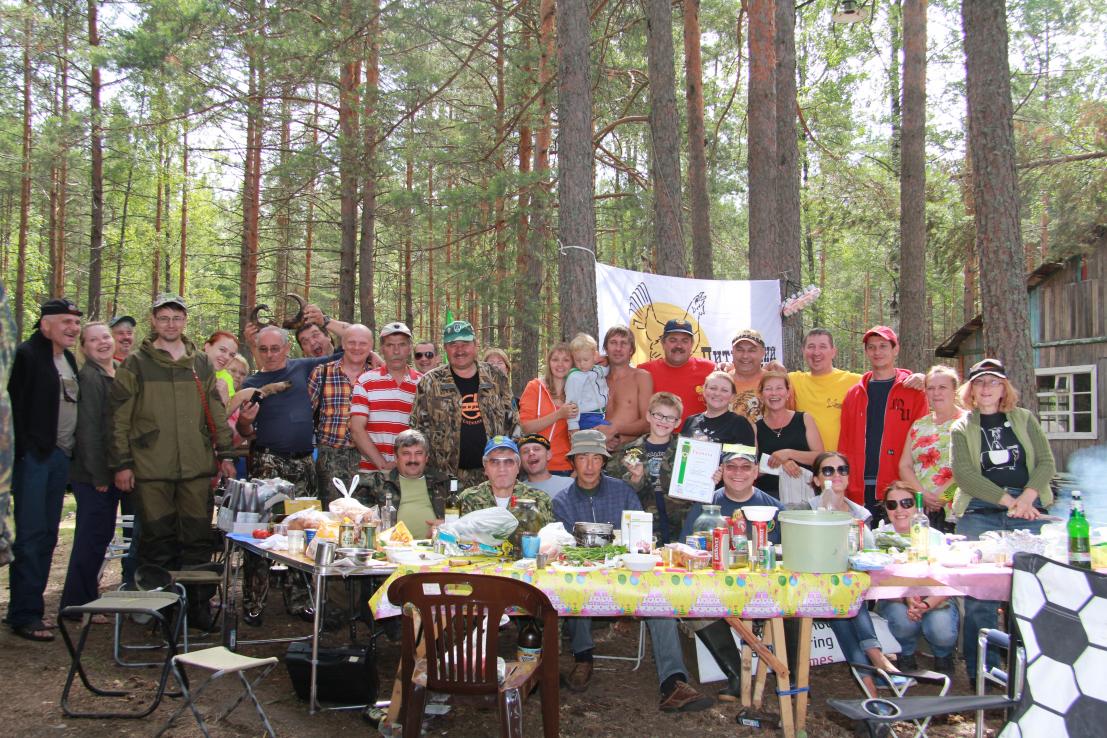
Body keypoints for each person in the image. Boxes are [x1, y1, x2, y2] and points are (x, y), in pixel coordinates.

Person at [552, 429, 713, 711]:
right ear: (572, 462)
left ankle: (673, 681)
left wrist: (627, 552)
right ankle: (583, 657)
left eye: (596, 458)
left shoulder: (623, 491)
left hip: (627, 574)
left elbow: (641, 534)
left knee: (658, 600)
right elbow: (564, 545)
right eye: (582, 458)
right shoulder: (562, 500)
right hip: (585, 575)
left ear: (604, 461)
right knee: (573, 587)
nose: (589, 465)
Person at [110, 294, 236, 628]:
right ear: (153, 320)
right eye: (164, 317)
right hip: (151, 467)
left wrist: (225, 453)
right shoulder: (136, 363)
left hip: (195, 467)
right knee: (156, 541)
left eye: (176, 318)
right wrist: (122, 463)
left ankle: (197, 610)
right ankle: (162, 613)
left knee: (197, 539)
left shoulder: (200, 362)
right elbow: (119, 417)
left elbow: (216, 411)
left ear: (185, 321)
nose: (170, 324)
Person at [951, 358, 1055, 685]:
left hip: (1028, 510)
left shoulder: (1024, 418)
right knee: (980, 599)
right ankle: (984, 676)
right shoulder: (962, 427)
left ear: (1004, 388)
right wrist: (1010, 502)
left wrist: (1027, 498)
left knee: (1031, 595)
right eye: (980, 382)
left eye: (993, 382)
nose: (986, 388)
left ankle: (1032, 676)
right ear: (970, 389)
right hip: (980, 512)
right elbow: (964, 475)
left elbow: (1046, 462)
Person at [678, 446, 786, 702]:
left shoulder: (774, 507)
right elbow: (685, 547)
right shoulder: (706, 504)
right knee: (692, 605)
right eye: (731, 467)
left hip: (764, 589)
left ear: (756, 472)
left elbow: (788, 553)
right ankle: (736, 675)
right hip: (717, 588)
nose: (738, 473)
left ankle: (791, 678)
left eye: (746, 467)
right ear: (722, 471)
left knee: (795, 604)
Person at [6, 298, 83, 641]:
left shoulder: (67, 359)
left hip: (60, 458)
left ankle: (30, 608)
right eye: (66, 322)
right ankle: (23, 614)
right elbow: (12, 406)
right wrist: (24, 451)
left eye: (76, 323)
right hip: (34, 458)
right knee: (31, 535)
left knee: (49, 535)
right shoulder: (26, 355)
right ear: (45, 324)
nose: (73, 328)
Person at [808, 451, 902, 697]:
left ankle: (871, 688)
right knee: (846, 602)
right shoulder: (807, 510)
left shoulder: (861, 513)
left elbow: (868, 554)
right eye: (828, 470)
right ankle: (878, 659)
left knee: (846, 605)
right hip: (817, 588)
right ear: (817, 479)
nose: (836, 475)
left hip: (853, 590)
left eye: (842, 470)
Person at [60, 323, 125, 618]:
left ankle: (86, 599)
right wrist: (99, 475)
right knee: (91, 539)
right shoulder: (90, 377)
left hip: (113, 469)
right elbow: (89, 431)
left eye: (106, 337)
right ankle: (76, 605)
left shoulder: (117, 372)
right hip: (93, 475)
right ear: (84, 347)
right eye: (94, 340)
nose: (102, 343)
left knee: (101, 537)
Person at [410, 320, 516, 487]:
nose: (459, 350)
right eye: (453, 344)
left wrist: (512, 461)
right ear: (445, 348)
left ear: (475, 344)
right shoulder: (430, 382)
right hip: (444, 478)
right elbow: (417, 429)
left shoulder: (496, 377)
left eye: (465, 343)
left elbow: (513, 421)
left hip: (493, 476)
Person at [838, 326, 928, 519]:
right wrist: (844, 482)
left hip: (899, 488)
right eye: (871, 347)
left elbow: (922, 440)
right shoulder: (854, 394)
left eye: (883, 346)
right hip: (859, 488)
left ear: (895, 349)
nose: (877, 352)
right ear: (866, 352)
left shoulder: (913, 391)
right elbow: (844, 443)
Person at [874, 482, 958, 673]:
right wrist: (905, 598)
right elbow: (874, 582)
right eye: (892, 504)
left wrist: (926, 604)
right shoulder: (878, 537)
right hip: (895, 599)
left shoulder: (936, 537)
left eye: (906, 503)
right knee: (901, 619)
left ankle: (943, 654)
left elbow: (948, 581)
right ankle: (905, 653)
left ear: (917, 505)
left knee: (941, 627)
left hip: (935, 597)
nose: (899, 510)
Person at [308, 324, 377, 499]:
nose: (356, 348)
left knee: (366, 510)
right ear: (343, 344)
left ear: (371, 346)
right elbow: (306, 414)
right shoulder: (322, 373)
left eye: (363, 343)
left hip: (367, 457)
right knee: (332, 511)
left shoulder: (377, 377)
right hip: (330, 457)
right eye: (351, 342)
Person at [609, 392, 686, 543]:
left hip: (681, 531)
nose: (663, 421)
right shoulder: (626, 453)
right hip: (641, 533)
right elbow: (615, 494)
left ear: (677, 422)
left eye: (670, 418)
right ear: (648, 416)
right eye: (658, 415)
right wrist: (635, 479)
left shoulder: (688, 450)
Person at [898, 365, 967, 532]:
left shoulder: (969, 422)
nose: (936, 393)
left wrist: (943, 497)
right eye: (931, 388)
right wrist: (921, 495)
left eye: (942, 387)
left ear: (954, 390)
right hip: (921, 509)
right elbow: (904, 466)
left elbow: (971, 467)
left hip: (956, 509)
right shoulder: (919, 425)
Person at [349, 322, 420, 475]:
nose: (396, 351)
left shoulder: (422, 383)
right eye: (390, 345)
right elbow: (356, 429)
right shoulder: (366, 381)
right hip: (372, 473)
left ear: (409, 348)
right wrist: (383, 465)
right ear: (382, 349)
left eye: (402, 344)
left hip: (411, 472)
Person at [358, 430, 453, 540]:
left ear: (426, 457)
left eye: (418, 453)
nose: (413, 459)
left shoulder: (444, 483)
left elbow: (465, 521)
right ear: (396, 458)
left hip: (436, 547)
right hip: (391, 547)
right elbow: (357, 520)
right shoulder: (377, 483)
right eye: (406, 453)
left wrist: (447, 525)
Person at [786, 328, 862, 452]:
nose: (816, 352)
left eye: (823, 346)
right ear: (803, 351)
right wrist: (774, 364)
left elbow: (885, 383)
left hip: (839, 460)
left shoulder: (854, 381)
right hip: (805, 460)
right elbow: (761, 379)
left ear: (833, 352)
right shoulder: (793, 380)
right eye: (811, 347)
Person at [755, 371, 823, 501]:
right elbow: (752, 470)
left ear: (787, 393)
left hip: (804, 494)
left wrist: (789, 453)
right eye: (768, 389)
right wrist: (780, 463)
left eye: (779, 388)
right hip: (769, 496)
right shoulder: (755, 428)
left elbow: (819, 457)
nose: (774, 393)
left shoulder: (804, 419)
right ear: (761, 395)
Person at [457, 436, 554, 526]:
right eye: (494, 462)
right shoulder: (467, 499)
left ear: (518, 467)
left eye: (508, 462)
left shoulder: (539, 500)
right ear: (485, 468)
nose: (502, 468)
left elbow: (551, 536)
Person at [638, 319, 716, 428]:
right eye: (673, 340)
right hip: (658, 436)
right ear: (663, 343)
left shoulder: (709, 369)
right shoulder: (644, 371)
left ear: (691, 344)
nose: (679, 346)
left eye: (685, 341)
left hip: (699, 437)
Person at [518, 343, 575, 474]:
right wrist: (559, 414)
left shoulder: (577, 391)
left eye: (566, 360)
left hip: (567, 465)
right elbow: (525, 427)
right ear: (549, 363)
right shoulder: (535, 387)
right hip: (536, 465)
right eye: (555, 359)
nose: (560, 364)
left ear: (573, 363)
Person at [598, 325, 653, 452]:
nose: (618, 348)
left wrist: (615, 429)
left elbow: (648, 423)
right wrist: (599, 438)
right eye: (613, 343)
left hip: (629, 452)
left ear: (631, 350)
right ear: (606, 348)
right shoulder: (597, 379)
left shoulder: (641, 377)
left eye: (624, 343)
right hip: (595, 451)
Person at [680, 370, 755, 446]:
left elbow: (746, 453)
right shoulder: (690, 421)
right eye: (713, 388)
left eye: (724, 390)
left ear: (732, 396)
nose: (717, 393)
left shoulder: (739, 423)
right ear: (704, 391)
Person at [564, 333, 609, 431]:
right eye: (578, 360)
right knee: (610, 430)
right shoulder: (575, 377)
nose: (582, 364)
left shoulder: (597, 369)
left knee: (614, 430)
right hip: (585, 417)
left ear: (595, 356)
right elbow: (572, 403)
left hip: (601, 414)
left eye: (585, 360)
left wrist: (609, 359)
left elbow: (608, 370)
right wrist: (573, 426)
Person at [727, 328, 768, 423]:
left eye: (752, 350)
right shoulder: (722, 383)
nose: (745, 356)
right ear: (732, 352)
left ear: (763, 353)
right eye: (739, 350)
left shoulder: (776, 383)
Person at [204, 330, 239, 405]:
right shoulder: (190, 368)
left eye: (231, 355)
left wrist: (225, 398)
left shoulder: (226, 379)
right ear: (207, 347)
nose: (227, 357)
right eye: (222, 350)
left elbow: (230, 410)